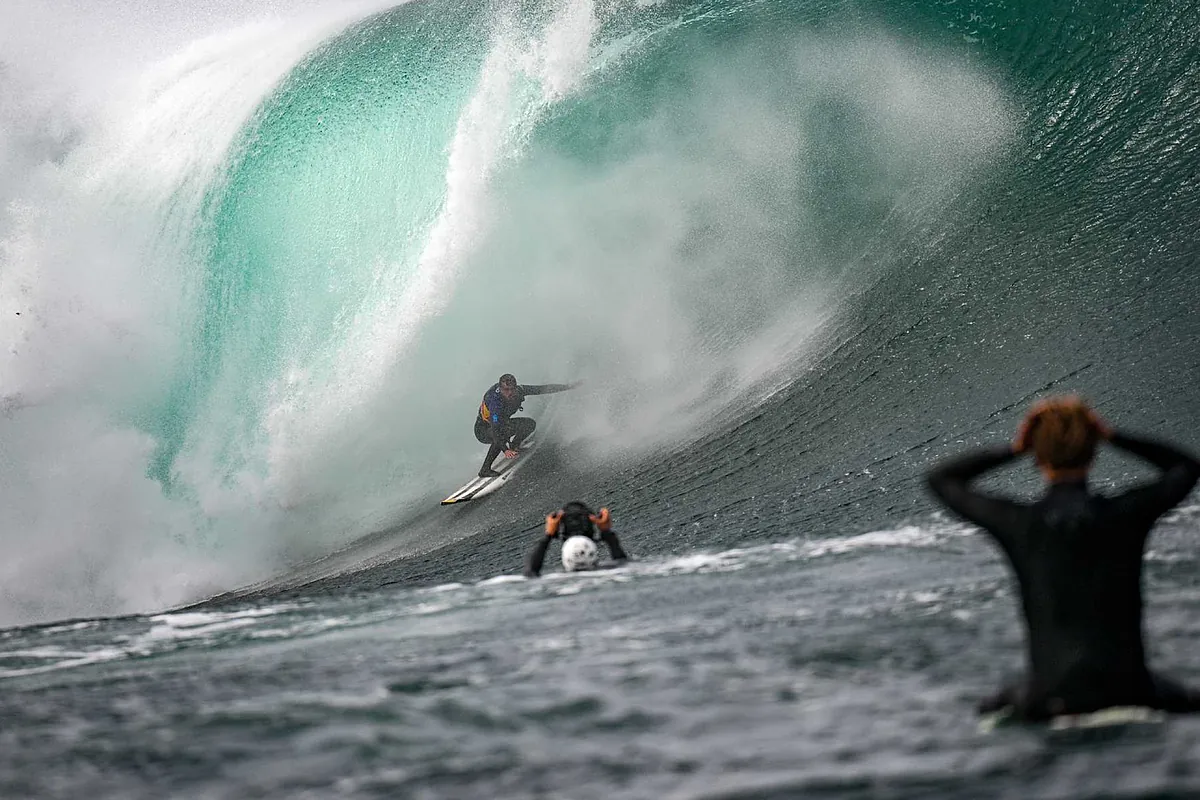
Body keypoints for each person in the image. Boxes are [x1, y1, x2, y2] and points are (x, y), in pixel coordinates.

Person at [926, 395, 1200, 722]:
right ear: (1093, 451)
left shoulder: (1021, 524)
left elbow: (941, 480)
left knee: (992, 708)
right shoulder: (1125, 514)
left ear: (1039, 457)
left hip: (1051, 698)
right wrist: (1110, 435)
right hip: (1131, 690)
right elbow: (1186, 467)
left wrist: (1017, 447)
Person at [475, 373, 579, 478]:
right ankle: (485, 470)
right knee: (501, 434)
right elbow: (495, 430)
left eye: (512, 389)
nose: (510, 393)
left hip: (500, 425)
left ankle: (515, 445)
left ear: (516, 387)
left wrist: (568, 387)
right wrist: (505, 450)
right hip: (483, 430)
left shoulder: (520, 391)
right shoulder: (495, 402)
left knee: (529, 424)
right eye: (506, 390)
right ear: (501, 389)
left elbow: (542, 389)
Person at [524, 501, 629, 578]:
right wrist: (606, 532)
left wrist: (548, 535)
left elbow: (530, 573)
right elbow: (624, 563)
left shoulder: (556, 580)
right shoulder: (613, 573)